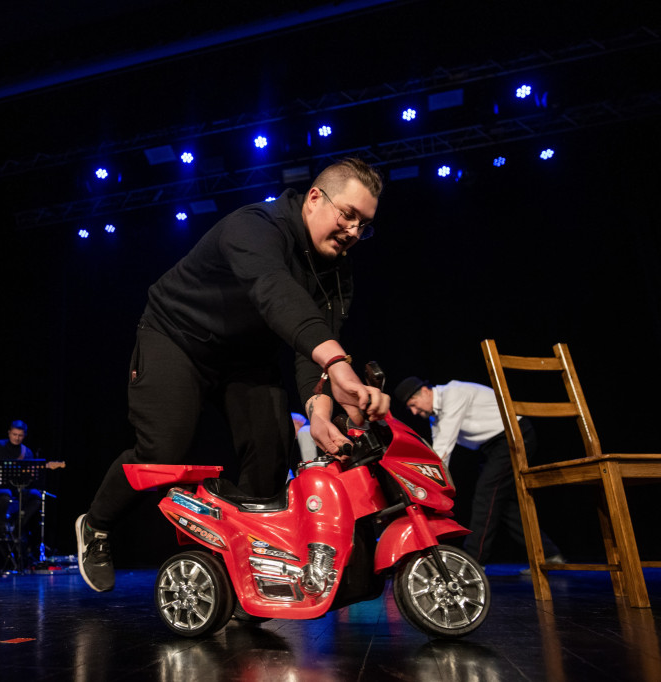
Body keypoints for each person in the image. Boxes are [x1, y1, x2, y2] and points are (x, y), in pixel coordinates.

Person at [76, 158, 391, 592]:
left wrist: (319, 414)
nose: (354, 232)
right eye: (348, 215)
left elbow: (311, 347)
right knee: (161, 454)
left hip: (244, 358)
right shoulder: (255, 226)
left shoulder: (337, 273)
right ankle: (97, 525)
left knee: (271, 452)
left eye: (364, 225)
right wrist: (339, 364)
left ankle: (245, 578)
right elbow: (274, 292)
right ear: (315, 198)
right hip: (178, 337)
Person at [394, 376, 564, 567]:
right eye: (411, 409)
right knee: (504, 505)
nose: (415, 412)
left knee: (486, 495)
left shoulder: (453, 394)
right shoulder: (435, 417)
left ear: (425, 391)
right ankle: (549, 555)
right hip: (493, 446)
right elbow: (436, 455)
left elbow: (443, 450)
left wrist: (429, 487)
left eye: (414, 405)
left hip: (513, 435)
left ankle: (474, 560)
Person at [0, 420, 43, 556]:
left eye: (20, 435)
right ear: (9, 433)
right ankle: (1, 529)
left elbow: (28, 480)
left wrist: (31, 475)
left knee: (36, 495)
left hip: (16, 488)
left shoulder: (27, 452)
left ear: (24, 436)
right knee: (5, 494)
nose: (17, 438)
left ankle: (17, 526)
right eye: (14, 434)